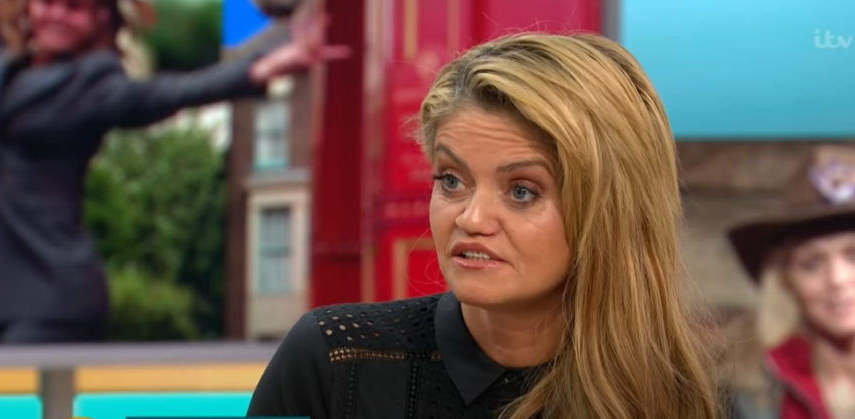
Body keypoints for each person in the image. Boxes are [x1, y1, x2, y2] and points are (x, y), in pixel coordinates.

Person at [246, 33, 722, 419]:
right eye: (452, 180)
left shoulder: (680, 398)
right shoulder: (334, 363)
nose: (471, 219)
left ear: (608, 211)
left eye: (522, 191)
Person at [0, 0, 347, 344]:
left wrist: (260, 69)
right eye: (48, 2)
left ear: (98, 17)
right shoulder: (13, 66)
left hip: (53, 293)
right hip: (11, 289)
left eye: (73, 7)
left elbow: (166, 93)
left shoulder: (94, 85)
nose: (56, 15)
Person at [727, 145, 855, 419]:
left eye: (853, 256)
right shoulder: (752, 399)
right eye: (812, 264)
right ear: (786, 281)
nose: (838, 279)